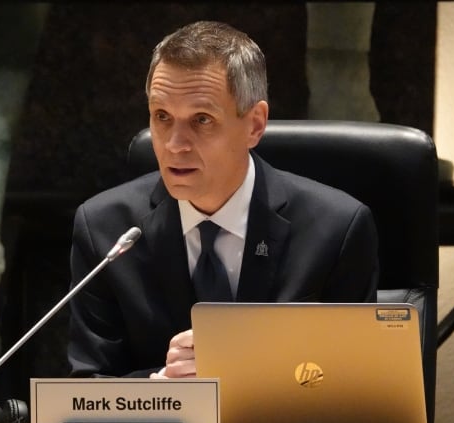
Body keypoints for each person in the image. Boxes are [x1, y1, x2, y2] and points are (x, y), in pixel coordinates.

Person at [67, 20, 378, 379]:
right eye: (162, 117)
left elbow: (354, 384)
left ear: (255, 125)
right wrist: (163, 394)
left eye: (201, 120)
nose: (174, 145)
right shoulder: (106, 229)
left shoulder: (335, 230)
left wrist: (238, 372)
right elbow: (89, 390)